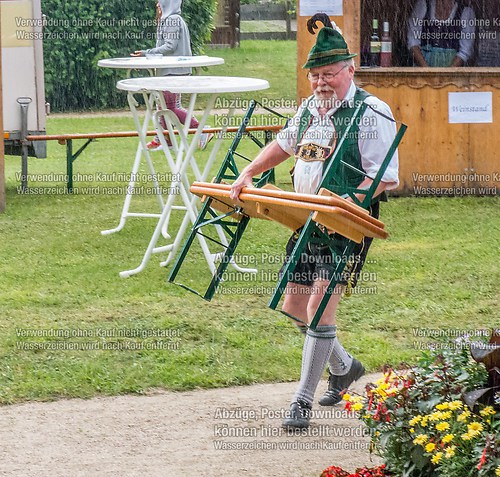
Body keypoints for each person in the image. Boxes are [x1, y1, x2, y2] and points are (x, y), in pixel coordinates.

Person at [229, 23, 399, 429]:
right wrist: (248, 172)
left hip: (345, 225)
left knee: (320, 308)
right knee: (294, 306)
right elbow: (284, 144)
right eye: (315, 75)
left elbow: (387, 176)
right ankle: (345, 367)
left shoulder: (372, 113)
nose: (322, 82)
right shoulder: (309, 108)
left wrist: (344, 203)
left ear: (351, 70)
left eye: (329, 74)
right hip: (305, 219)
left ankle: (301, 402)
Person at [131, 0, 212, 150]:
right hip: (172, 70)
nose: (157, 5)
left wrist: (146, 53)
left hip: (173, 71)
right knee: (163, 105)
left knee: (169, 107)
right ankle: (164, 139)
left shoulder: (172, 20)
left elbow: (170, 46)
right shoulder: (170, 19)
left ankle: (201, 129)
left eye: (159, 2)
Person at [407, 0, 475, 67]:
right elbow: (413, 41)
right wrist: (426, 70)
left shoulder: (465, 12)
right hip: (422, 67)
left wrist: (447, 74)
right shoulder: (423, 5)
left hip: (452, 71)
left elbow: (465, 50)